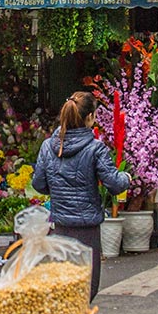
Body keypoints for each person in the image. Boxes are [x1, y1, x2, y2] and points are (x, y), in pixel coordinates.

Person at [32, 91, 133, 297]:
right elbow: (114, 184)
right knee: (87, 289)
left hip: (60, 227)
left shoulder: (48, 147)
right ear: (89, 117)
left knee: (65, 288)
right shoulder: (95, 149)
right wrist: (127, 178)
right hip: (87, 230)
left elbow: (39, 184)